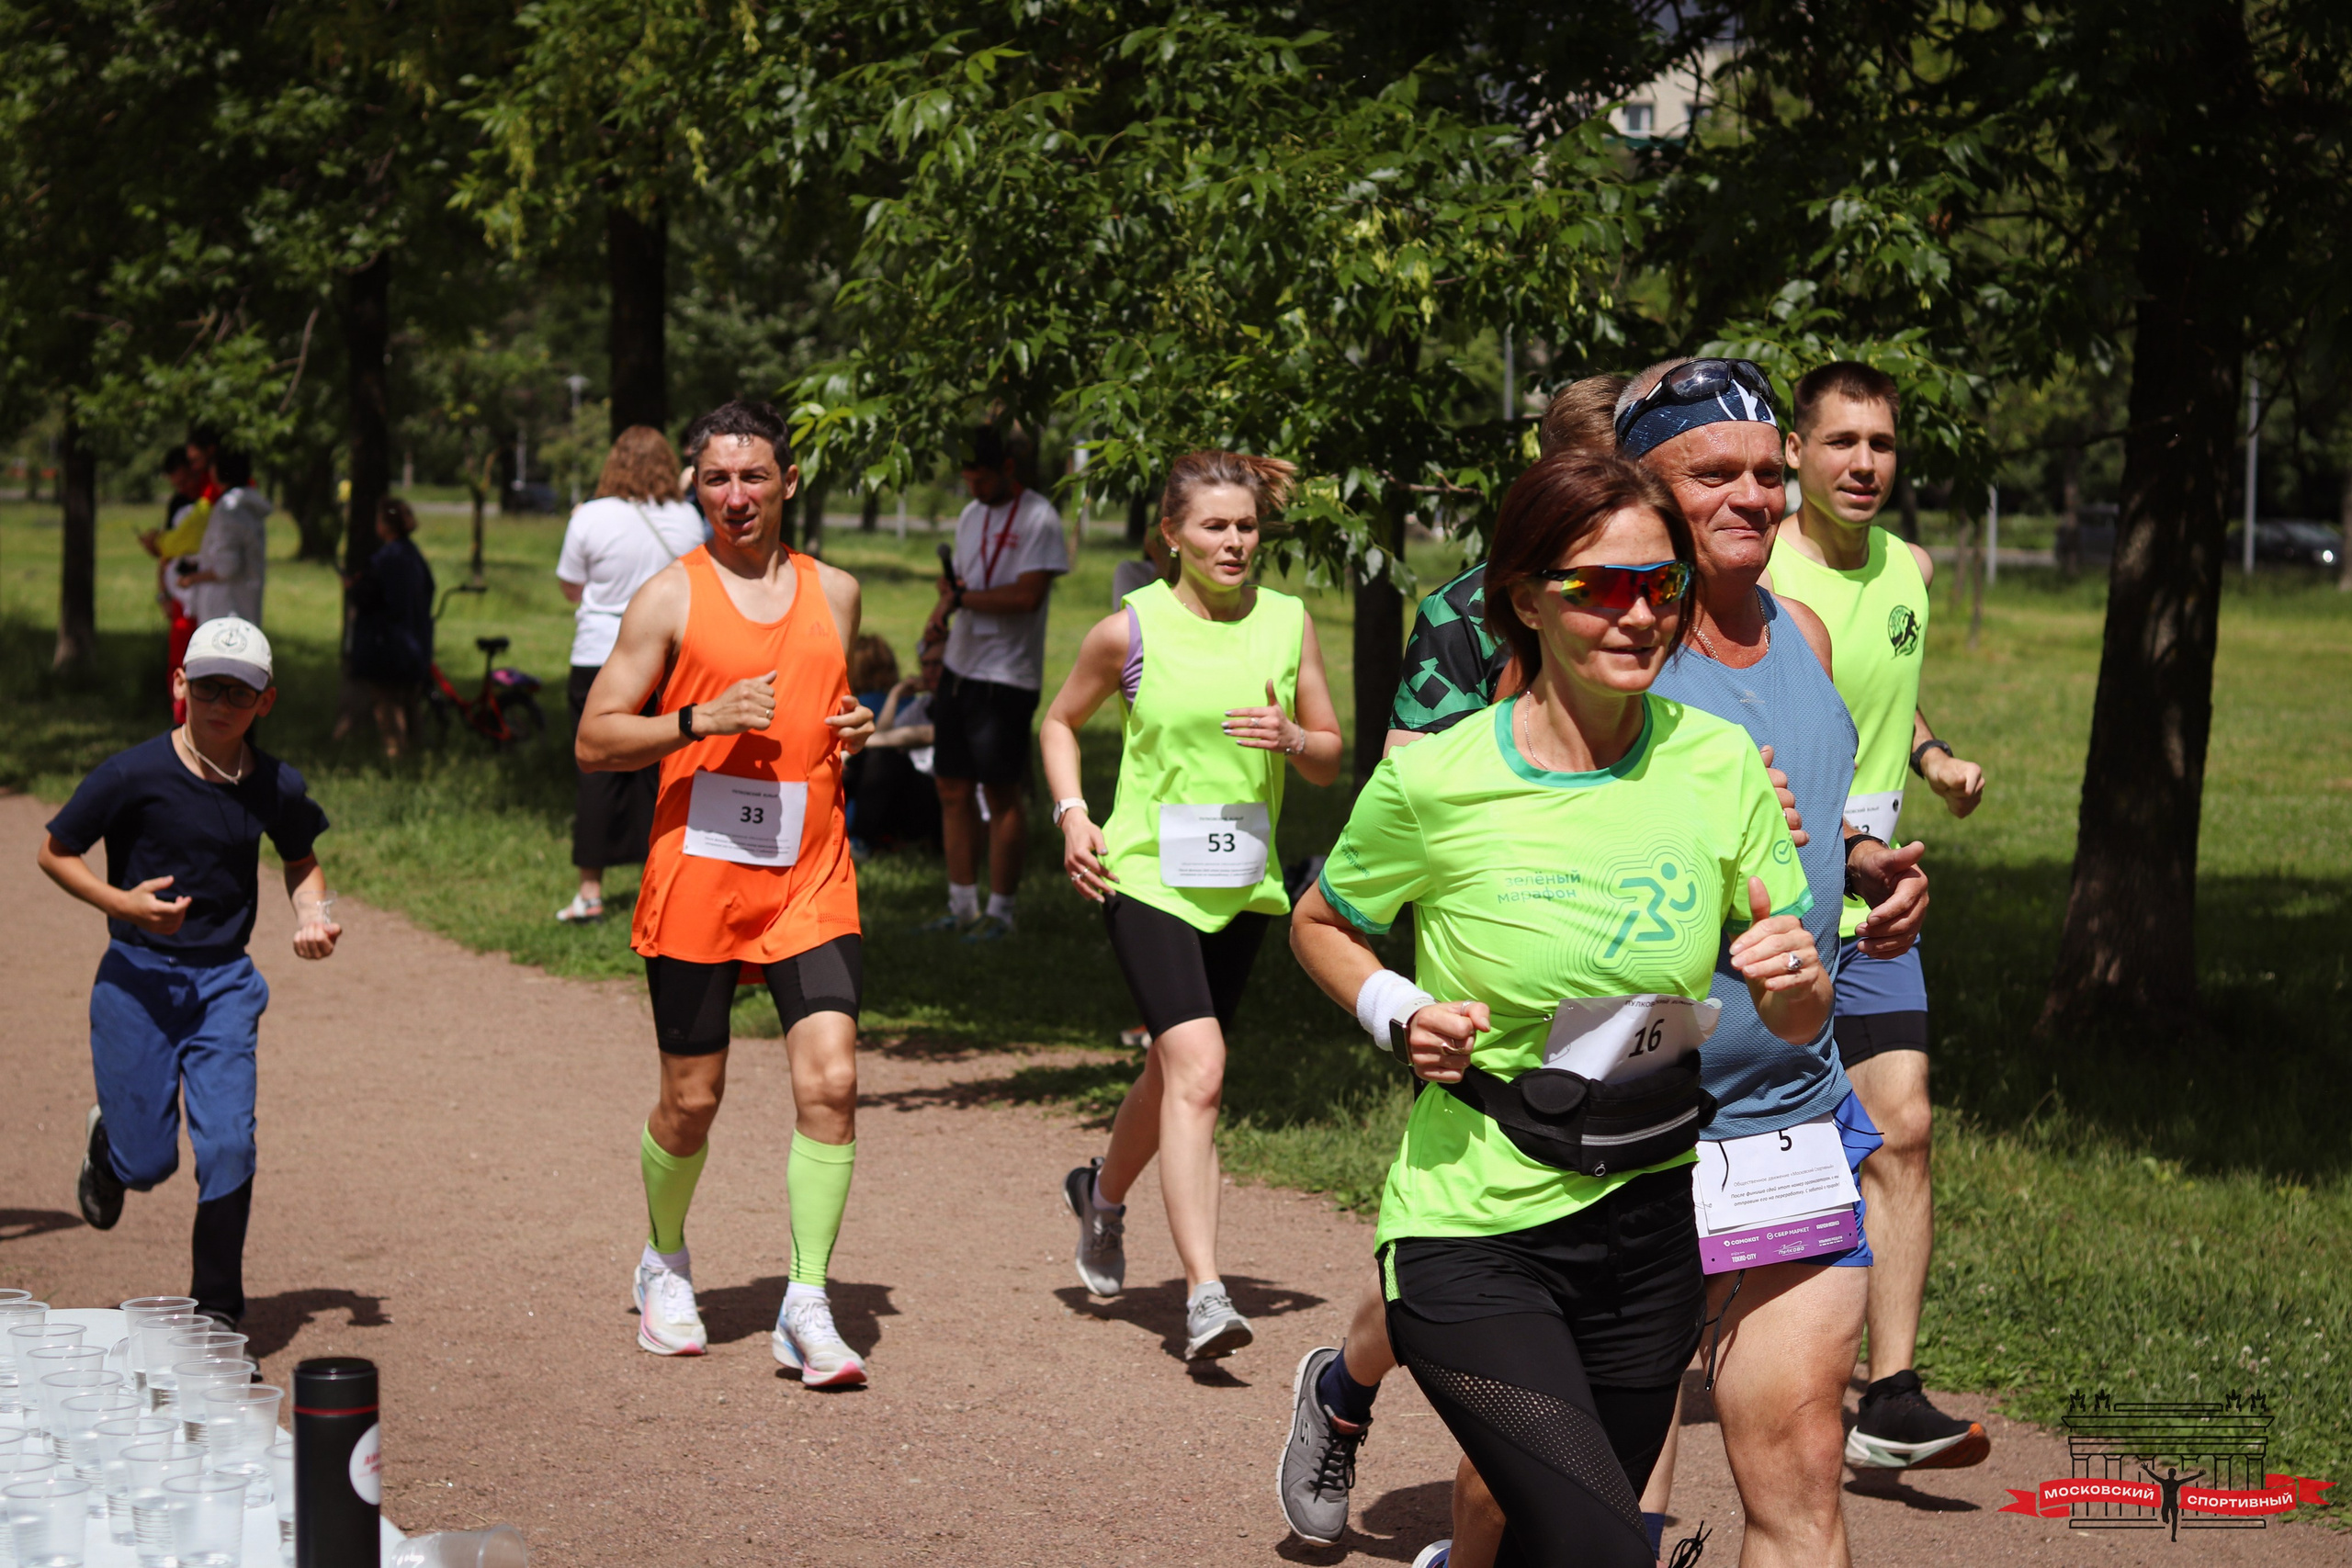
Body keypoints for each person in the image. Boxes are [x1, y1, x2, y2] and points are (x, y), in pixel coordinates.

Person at [1290, 454, 1828, 1568]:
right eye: (1598, 588)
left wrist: (1795, 984)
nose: (1639, 614)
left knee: (1555, 1549)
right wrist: (1395, 1008)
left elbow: (1793, 1014)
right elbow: (1321, 921)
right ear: (1526, 599)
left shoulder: (1718, 762)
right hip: (1474, 1229)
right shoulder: (1437, 780)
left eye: (1661, 585)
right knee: (1603, 1547)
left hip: (1648, 1230)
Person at [575, 399, 876, 1383]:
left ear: (788, 480)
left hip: (808, 873)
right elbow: (595, 738)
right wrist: (697, 718)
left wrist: (855, 728)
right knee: (690, 1100)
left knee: (831, 1082)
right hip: (700, 874)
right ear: (694, 488)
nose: (736, 495)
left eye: (753, 476)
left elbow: (826, 707)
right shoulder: (669, 596)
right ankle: (664, 1261)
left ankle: (806, 1301)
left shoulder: (837, 591)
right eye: (716, 479)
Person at [1042, 451, 1343, 1360]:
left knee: (1176, 1071)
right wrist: (1072, 815)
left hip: (1244, 883)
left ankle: (1100, 1194)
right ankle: (1205, 1291)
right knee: (1202, 1068)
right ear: (1171, 534)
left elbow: (1329, 757)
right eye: (1214, 526)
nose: (1234, 541)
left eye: (1246, 526)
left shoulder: (1288, 623)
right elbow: (1059, 721)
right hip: (1146, 876)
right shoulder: (1128, 629)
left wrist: (1294, 736)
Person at [1768, 361, 1992, 1472]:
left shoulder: (1909, 568)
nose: (1864, 464)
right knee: (1756, 1139)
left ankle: (1890, 1395)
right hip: (1771, 896)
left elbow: (1875, 701)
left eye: (1882, 444)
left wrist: (1933, 755)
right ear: (1794, 452)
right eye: (1841, 442)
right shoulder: (1755, 568)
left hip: (1878, 893)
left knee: (1904, 1126)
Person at [36, 617, 340, 1329]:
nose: (221, 703)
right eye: (207, 686)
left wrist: (314, 913)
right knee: (148, 1164)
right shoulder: (131, 774)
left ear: (266, 700)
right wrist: (122, 904)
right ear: (180, 684)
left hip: (225, 984)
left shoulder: (276, 785)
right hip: (135, 981)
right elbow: (55, 851)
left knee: (229, 1143)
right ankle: (111, 1148)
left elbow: (302, 860)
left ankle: (218, 1314)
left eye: (240, 692)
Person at [917, 425, 1071, 940]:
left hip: (1007, 675)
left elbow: (1027, 596)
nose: (974, 489)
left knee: (1000, 793)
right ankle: (961, 907)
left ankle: (1001, 913)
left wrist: (961, 600)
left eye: (981, 479)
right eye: (967, 480)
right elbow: (962, 584)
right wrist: (945, 605)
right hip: (960, 667)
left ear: (1007, 468)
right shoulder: (970, 515)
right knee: (951, 787)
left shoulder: (1038, 517)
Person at [554, 427, 708, 924]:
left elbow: (570, 587)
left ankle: (590, 891)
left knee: (597, 770)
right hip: (667, 658)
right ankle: (660, 884)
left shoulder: (590, 516)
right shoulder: (687, 518)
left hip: (598, 651)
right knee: (661, 768)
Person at [337, 498, 436, 758]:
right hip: (416, 645)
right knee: (411, 706)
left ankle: (397, 762)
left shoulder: (384, 560)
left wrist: (352, 587)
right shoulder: (414, 556)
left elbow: (367, 596)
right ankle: (417, 757)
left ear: (384, 525)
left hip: (388, 648)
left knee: (388, 707)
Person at [847, 636, 944, 856]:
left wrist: (859, 742)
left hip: (936, 799)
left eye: (937, 664)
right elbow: (884, 736)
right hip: (906, 797)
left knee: (882, 758)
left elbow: (921, 735)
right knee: (866, 760)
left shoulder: (959, 706)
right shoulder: (921, 705)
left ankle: (859, 839)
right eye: (925, 664)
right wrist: (895, 694)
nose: (929, 671)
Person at [176, 450, 269, 633]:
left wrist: (191, 579)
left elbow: (227, 568)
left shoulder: (229, 509)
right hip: (242, 604)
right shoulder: (245, 505)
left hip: (226, 612)